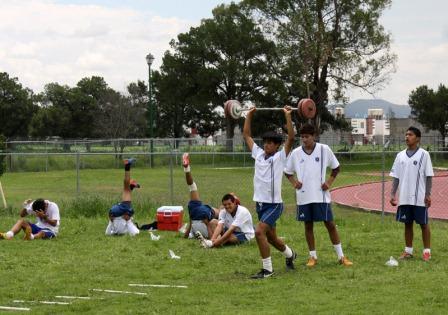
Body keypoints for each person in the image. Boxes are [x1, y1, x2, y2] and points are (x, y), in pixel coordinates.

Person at [284, 123, 353, 267]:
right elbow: (287, 171)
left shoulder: (324, 149)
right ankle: (313, 257)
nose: (304, 139)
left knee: (330, 224)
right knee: (308, 226)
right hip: (303, 196)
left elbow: (336, 168)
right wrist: (294, 182)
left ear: (314, 136)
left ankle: (341, 256)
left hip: (321, 196)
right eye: (302, 137)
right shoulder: (296, 153)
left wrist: (329, 182)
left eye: (307, 137)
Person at [243, 105, 297, 279]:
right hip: (260, 204)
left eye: (270, 143)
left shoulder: (280, 157)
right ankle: (290, 255)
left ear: (277, 146)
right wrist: (248, 115)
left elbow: (291, 138)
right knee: (272, 238)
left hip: (274, 205)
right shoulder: (258, 154)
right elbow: (246, 135)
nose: (266, 145)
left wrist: (287, 116)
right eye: (265, 142)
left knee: (259, 232)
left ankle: (267, 270)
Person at [390, 126, 434, 261]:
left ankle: (427, 252)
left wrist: (428, 194)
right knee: (407, 224)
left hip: (419, 198)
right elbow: (396, 176)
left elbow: (429, 176)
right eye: (406, 134)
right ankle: (408, 251)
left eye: (410, 135)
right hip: (404, 197)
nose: (407, 137)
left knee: (423, 224)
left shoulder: (424, 155)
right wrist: (392, 194)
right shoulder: (400, 155)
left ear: (418, 138)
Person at [182, 153, 219, 239]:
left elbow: (186, 235)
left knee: (192, 186)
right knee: (192, 187)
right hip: (194, 213)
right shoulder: (200, 232)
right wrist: (207, 224)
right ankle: (186, 168)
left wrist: (191, 223)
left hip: (200, 214)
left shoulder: (197, 233)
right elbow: (211, 237)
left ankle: (186, 168)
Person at [105, 158, 140, 236]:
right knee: (126, 189)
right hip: (114, 211)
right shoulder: (119, 231)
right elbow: (135, 232)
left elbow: (136, 232)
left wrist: (111, 221)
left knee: (126, 189)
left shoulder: (121, 231)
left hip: (118, 210)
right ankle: (131, 184)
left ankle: (128, 168)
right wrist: (128, 221)